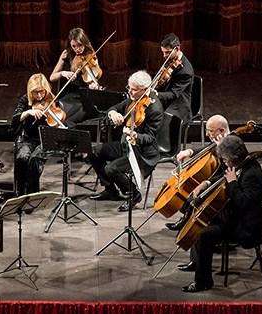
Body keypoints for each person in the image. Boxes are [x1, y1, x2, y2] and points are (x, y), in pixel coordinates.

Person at [181, 135, 262, 293]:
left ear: (234, 158)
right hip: (236, 217)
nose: (224, 163)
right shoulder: (240, 165)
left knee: (203, 234)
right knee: (200, 216)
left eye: (226, 160)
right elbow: (223, 176)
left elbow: (243, 204)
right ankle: (197, 262)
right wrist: (206, 184)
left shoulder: (252, 174)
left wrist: (232, 182)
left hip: (246, 227)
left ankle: (203, 282)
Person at [90, 71, 163, 212]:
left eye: (134, 89)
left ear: (145, 89)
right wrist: (113, 113)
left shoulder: (155, 109)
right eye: (129, 87)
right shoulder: (133, 98)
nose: (130, 91)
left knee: (111, 168)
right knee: (94, 152)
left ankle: (134, 194)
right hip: (127, 144)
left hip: (143, 152)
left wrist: (135, 134)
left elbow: (150, 138)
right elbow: (114, 108)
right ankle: (110, 190)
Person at [163, 115, 230, 231]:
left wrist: (207, 183)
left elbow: (227, 171)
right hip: (214, 179)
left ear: (222, 130)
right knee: (189, 191)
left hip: (223, 184)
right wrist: (189, 151)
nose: (207, 134)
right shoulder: (220, 140)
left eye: (210, 131)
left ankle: (189, 223)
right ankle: (186, 218)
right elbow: (208, 147)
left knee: (195, 195)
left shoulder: (231, 145)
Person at [10, 73, 63, 196]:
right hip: (27, 138)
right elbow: (14, 120)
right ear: (30, 91)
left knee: (34, 160)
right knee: (22, 157)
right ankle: (20, 193)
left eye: (41, 92)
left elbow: (57, 119)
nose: (39, 96)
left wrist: (56, 122)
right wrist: (28, 112)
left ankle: (33, 193)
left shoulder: (52, 99)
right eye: (35, 92)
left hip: (44, 138)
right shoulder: (25, 100)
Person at [49, 27, 101, 123]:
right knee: (64, 115)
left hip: (84, 95)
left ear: (84, 42)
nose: (77, 49)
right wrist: (63, 73)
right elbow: (52, 77)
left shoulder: (90, 53)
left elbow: (95, 73)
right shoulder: (66, 54)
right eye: (74, 46)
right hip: (69, 94)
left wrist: (93, 85)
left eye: (80, 45)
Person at [155, 34, 194, 123]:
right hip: (166, 98)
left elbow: (173, 94)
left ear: (177, 49)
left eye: (167, 52)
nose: (164, 55)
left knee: (156, 117)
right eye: (163, 52)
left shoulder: (186, 71)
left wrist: (155, 94)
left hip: (178, 105)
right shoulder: (170, 60)